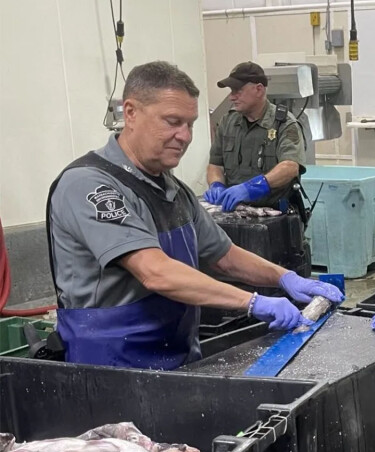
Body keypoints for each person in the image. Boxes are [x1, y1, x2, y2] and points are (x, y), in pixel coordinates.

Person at [46, 61, 343, 370]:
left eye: (190, 124)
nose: (185, 136)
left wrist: (285, 277)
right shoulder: (90, 185)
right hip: (110, 367)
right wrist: (252, 302)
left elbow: (224, 255)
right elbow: (155, 272)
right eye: (173, 121)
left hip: (177, 358)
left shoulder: (173, 189)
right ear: (131, 113)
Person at [204, 61, 306, 214]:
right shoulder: (228, 122)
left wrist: (254, 187)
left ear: (258, 89)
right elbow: (215, 164)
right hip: (236, 213)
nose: (231, 97)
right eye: (231, 91)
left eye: (237, 91)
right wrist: (216, 184)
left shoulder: (284, 123)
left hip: (276, 215)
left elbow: (290, 167)